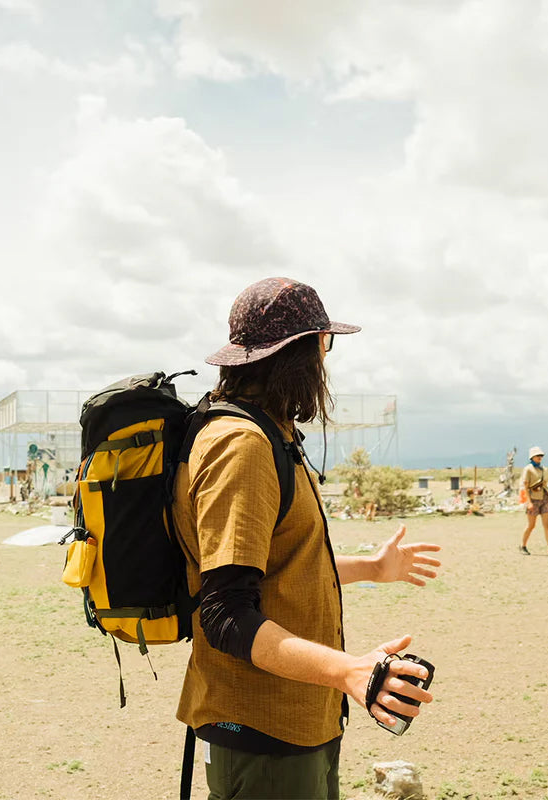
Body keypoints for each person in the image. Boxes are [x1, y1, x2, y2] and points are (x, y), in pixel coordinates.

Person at [173, 277, 442, 800]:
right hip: (261, 733)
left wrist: (371, 567)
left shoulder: (268, 433)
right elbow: (226, 612)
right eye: (325, 343)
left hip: (297, 722)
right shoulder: (242, 446)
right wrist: (351, 671)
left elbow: (275, 565)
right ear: (300, 354)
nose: (326, 360)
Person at [519, 445, 548, 556]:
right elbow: (525, 486)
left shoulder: (544, 469)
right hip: (533, 499)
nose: (540, 457)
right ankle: (523, 545)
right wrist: (529, 502)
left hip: (544, 498)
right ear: (532, 457)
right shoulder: (528, 469)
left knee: (547, 524)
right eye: (537, 456)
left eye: (541, 456)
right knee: (531, 525)